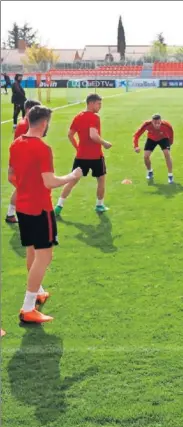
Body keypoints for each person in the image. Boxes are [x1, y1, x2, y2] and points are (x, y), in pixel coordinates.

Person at [9, 105, 82, 324]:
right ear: (44, 123)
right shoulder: (42, 148)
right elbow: (49, 182)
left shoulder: (16, 144)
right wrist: (72, 176)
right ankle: (28, 307)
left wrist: (26, 187)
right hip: (40, 208)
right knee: (45, 256)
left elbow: (11, 175)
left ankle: (37, 290)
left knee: (32, 250)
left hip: (23, 207)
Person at [54, 94, 112, 216]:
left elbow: (70, 134)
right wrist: (104, 143)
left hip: (81, 156)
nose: (100, 106)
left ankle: (59, 206)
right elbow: (93, 135)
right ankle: (99, 205)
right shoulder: (94, 117)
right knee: (101, 180)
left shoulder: (78, 116)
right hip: (96, 156)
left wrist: (77, 147)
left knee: (72, 180)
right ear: (91, 103)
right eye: (98, 104)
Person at [5, 99, 41, 224]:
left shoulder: (24, 123)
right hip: (21, 164)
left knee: (23, 189)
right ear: (28, 109)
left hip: (18, 163)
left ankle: (11, 214)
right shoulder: (26, 125)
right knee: (26, 189)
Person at [133, 114, 174, 183]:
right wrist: (136, 146)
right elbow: (137, 135)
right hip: (151, 139)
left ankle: (170, 175)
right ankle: (150, 171)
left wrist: (170, 142)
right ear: (152, 121)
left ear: (161, 121)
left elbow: (171, 134)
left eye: (159, 123)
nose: (157, 125)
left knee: (167, 154)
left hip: (163, 138)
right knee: (146, 156)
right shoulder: (146, 124)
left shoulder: (167, 125)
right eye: (155, 123)